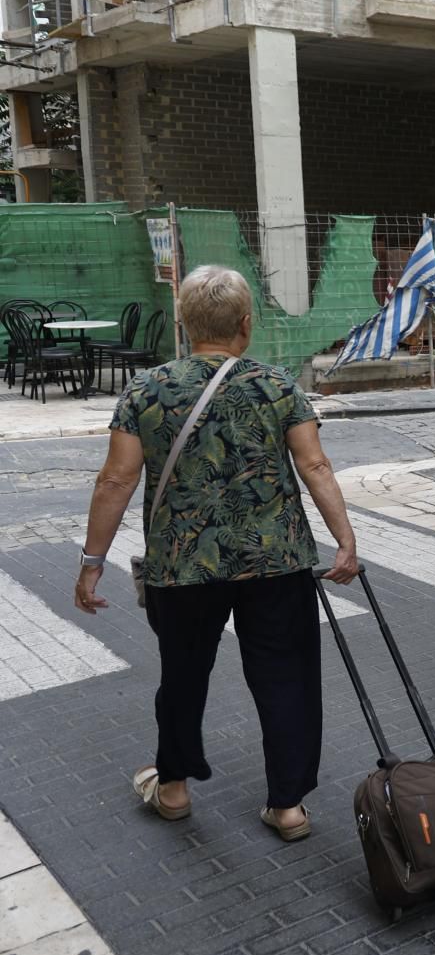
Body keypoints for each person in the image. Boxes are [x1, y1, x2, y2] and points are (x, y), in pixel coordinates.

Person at [73, 266, 359, 841]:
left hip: (181, 567)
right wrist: (345, 538)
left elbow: (115, 480)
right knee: (286, 676)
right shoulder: (278, 386)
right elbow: (315, 466)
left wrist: (91, 561)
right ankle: (288, 806)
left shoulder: (145, 390)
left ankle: (174, 788)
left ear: (182, 323)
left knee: (182, 674)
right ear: (246, 325)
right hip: (275, 563)